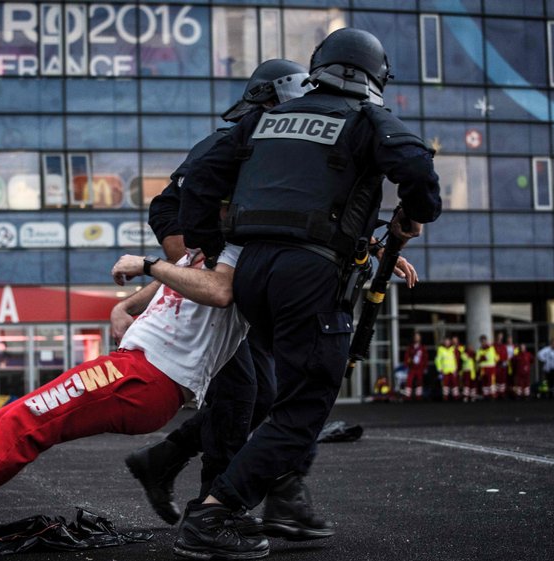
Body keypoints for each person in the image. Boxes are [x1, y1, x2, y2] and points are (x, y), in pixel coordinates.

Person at [174, 27, 441, 559]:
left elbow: (200, 174)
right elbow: (416, 165)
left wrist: (207, 245)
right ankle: (214, 512)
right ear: (374, 77)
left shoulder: (264, 119)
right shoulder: (366, 118)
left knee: (281, 397)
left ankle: (282, 503)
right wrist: (413, 215)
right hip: (311, 275)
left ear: (319, 66)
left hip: (253, 274)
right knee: (304, 410)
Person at [0, 244, 249, 554]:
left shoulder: (239, 250)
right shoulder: (197, 247)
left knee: (27, 422)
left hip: (149, 378)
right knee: (13, 415)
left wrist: (147, 263)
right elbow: (172, 278)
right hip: (130, 365)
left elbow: (221, 291)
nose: (172, 232)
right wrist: (127, 303)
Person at [125, 58, 331, 540]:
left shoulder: (287, 147)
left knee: (264, 394)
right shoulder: (231, 139)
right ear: (272, 103)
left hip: (243, 283)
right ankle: (211, 509)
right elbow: (168, 208)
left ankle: (164, 459)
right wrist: (204, 258)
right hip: (222, 281)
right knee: (240, 395)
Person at [403, 332, 428, 401]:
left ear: (420, 338)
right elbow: (407, 357)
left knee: (419, 382)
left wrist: (425, 367)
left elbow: (425, 358)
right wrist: (406, 365)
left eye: (418, 336)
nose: (417, 338)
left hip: (420, 368)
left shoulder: (423, 348)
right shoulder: (410, 347)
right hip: (412, 368)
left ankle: (418, 396)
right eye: (416, 336)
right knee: (409, 381)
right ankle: (407, 397)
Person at [435, 336, 459, 401]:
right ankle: (445, 397)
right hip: (444, 370)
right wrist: (439, 368)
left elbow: (456, 359)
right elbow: (437, 360)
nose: (447, 342)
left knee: (454, 384)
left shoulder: (453, 349)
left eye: (448, 341)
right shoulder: (441, 349)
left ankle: (456, 397)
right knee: (445, 384)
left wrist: (456, 368)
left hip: (452, 370)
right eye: (446, 341)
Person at [476, 335, 497, 400]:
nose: (483, 342)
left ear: (486, 341)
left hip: (490, 367)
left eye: (484, 341)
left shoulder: (491, 348)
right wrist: (483, 357)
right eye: (482, 341)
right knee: (484, 381)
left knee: (491, 381)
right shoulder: (479, 349)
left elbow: (489, 357)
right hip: (483, 368)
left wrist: (482, 357)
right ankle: (486, 395)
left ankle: (492, 394)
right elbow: (477, 359)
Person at [493, 332, 509, 399]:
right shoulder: (493, 346)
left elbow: (506, 355)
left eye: (501, 336)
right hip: (496, 365)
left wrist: (504, 361)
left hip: (502, 365)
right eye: (499, 336)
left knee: (502, 380)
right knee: (496, 379)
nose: (500, 338)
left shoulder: (503, 346)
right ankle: (496, 393)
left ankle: (502, 393)